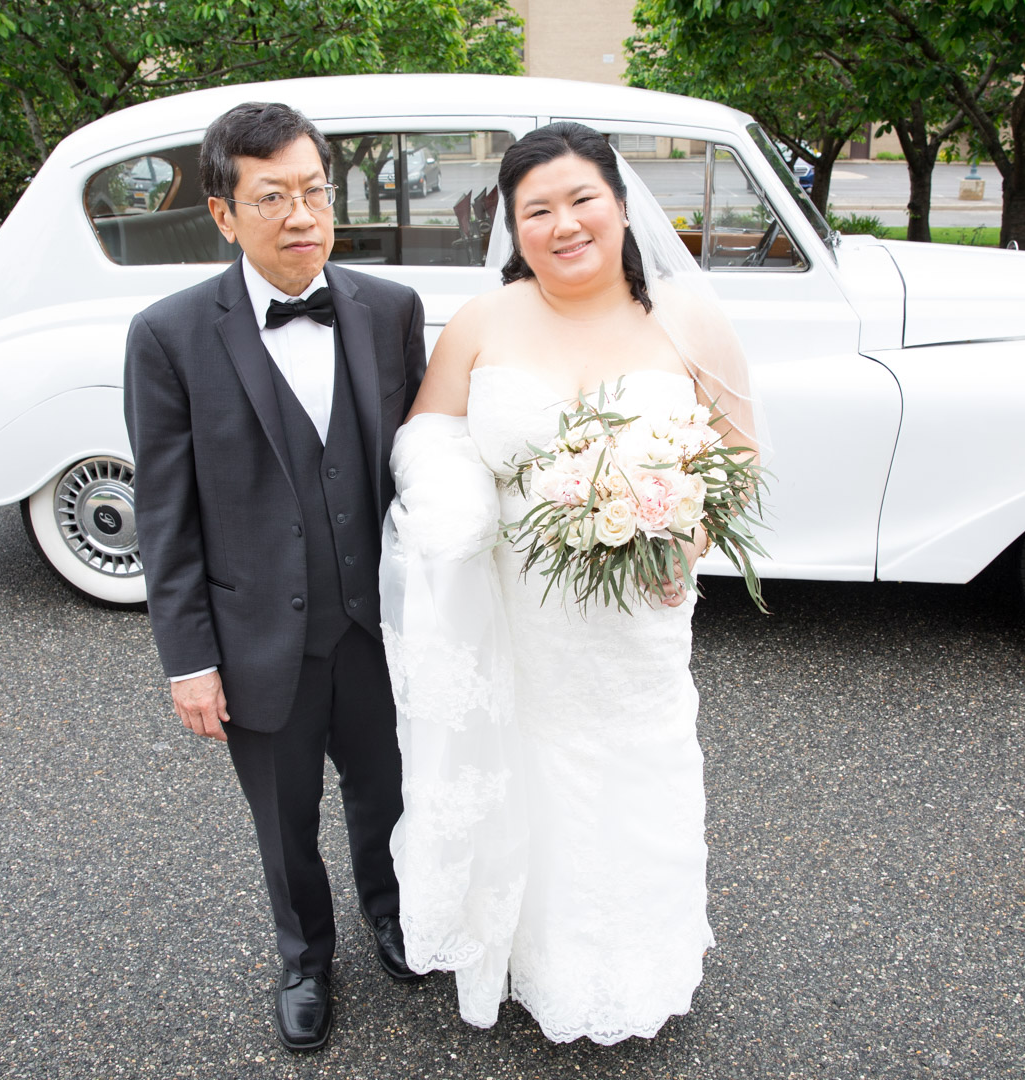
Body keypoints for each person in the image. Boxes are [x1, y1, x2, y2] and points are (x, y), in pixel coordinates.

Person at [383, 122, 759, 1044]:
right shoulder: (483, 322)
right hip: (520, 609)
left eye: (582, 199)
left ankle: (634, 965)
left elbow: (740, 455)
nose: (564, 224)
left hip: (639, 617)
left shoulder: (690, 321)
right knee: (530, 770)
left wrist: (687, 530)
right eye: (536, 210)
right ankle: (534, 955)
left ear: (622, 206)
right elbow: (426, 434)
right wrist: (456, 508)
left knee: (636, 774)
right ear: (513, 229)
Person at [122, 101, 429, 1053]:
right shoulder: (168, 334)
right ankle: (305, 958)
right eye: (272, 198)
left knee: (390, 791)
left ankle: (395, 914)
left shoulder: (390, 310)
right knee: (284, 819)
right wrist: (188, 661)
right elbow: (165, 514)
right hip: (258, 636)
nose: (302, 216)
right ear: (223, 214)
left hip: (378, 625)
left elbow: (420, 470)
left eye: (315, 192)